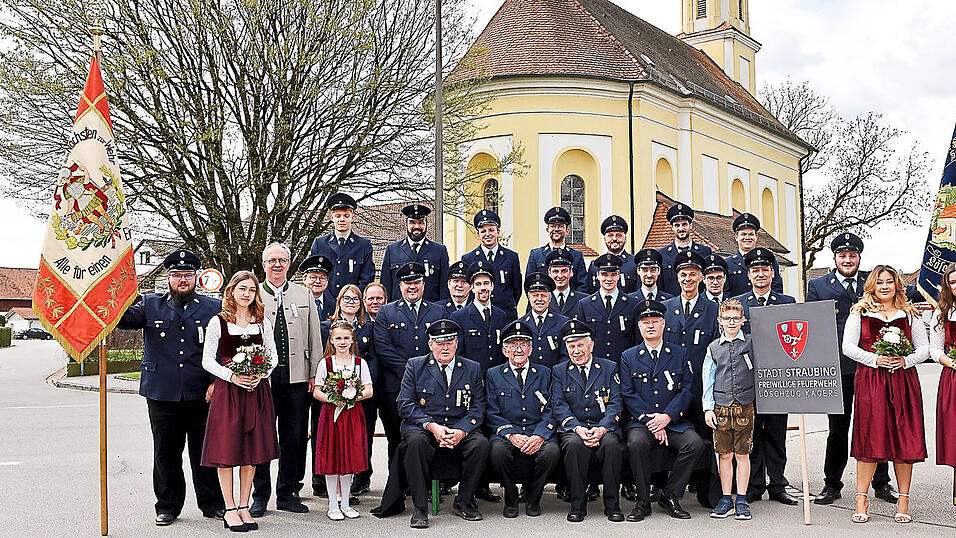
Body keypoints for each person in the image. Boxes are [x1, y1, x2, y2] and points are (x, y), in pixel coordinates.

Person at [117, 249, 225, 526]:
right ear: (169, 278)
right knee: (165, 453)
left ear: (196, 277)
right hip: (161, 392)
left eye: (188, 275)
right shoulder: (149, 304)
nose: (182, 280)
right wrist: (112, 294)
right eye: (177, 275)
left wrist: (216, 382)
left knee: (204, 451)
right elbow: (124, 320)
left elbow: (224, 350)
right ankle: (167, 506)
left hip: (201, 391)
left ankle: (212, 503)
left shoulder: (213, 307)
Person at [372, 319, 490, 528]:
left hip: (458, 427)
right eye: (439, 342)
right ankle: (420, 507)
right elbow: (405, 404)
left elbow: (477, 407)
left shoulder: (472, 368)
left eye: (449, 342)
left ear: (456, 343)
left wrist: (461, 431)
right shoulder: (415, 366)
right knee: (415, 443)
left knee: (480, 445)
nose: (444, 347)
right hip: (424, 427)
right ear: (430, 344)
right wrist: (432, 426)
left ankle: (464, 501)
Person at [807, 233, 897, 505]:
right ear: (834, 258)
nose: (848, 260)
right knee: (838, 428)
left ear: (859, 257)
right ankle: (832, 484)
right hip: (838, 368)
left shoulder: (873, 281)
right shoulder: (819, 285)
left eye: (852, 255)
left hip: (873, 366)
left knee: (877, 424)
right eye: (842, 256)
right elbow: (814, 327)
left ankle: (881, 483)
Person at [843, 265, 928, 524]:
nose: (884, 286)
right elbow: (848, 347)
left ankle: (903, 499)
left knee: (904, 437)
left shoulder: (909, 314)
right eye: (879, 282)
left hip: (903, 380)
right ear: (872, 285)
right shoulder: (860, 313)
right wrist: (875, 359)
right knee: (870, 435)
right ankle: (861, 498)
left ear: (897, 285)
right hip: (871, 380)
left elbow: (924, 349)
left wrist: (906, 361)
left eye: (889, 282)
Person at [200, 270, 279, 532]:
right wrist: (232, 377)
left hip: (256, 393)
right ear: (232, 291)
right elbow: (207, 360)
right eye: (242, 289)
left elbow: (273, 356)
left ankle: (245, 505)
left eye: (252, 290)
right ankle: (230, 507)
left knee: (251, 454)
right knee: (227, 452)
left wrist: (261, 374)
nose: (247, 294)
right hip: (229, 394)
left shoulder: (261, 322)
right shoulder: (218, 322)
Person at [251, 243, 323, 517]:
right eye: (272, 260)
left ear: (289, 264)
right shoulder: (252, 292)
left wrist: (315, 373)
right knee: (262, 437)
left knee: (293, 437)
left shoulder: (303, 294)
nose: (277, 265)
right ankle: (260, 495)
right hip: (263, 380)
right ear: (264, 264)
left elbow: (314, 337)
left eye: (282, 260)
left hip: (297, 377)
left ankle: (288, 492)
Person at [620, 300, 703, 522]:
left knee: (694, 444)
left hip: (673, 420)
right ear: (639, 326)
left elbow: (687, 390)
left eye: (655, 321)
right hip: (642, 422)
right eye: (645, 322)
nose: (650, 326)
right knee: (636, 443)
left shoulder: (679, 353)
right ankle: (643, 501)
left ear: (663, 323)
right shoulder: (628, 356)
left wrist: (667, 417)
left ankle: (671, 495)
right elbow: (628, 393)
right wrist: (651, 421)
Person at [731, 248, 798, 506]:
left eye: (765, 270)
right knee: (752, 434)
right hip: (748, 380)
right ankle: (754, 485)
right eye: (755, 270)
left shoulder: (786, 303)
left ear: (772, 272)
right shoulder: (738, 304)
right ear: (749, 275)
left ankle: (778, 484)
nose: (760, 274)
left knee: (776, 433)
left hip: (778, 380)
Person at [551, 320, 626, 523]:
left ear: (591, 345)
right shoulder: (559, 371)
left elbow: (615, 404)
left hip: (604, 426)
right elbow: (558, 405)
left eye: (580, 345)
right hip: (573, 428)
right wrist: (577, 428)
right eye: (571, 346)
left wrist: (602, 428)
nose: (576, 351)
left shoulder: (609, 368)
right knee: (574, 445)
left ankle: (613, 505)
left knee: (611, 445)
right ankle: (577, 504)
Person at [485, 321, 561, 518]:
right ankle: (510, 498)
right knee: (498, 452)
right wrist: (510, 435)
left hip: (537, 430)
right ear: (504, 349)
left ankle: (533, 497)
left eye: (523, 344)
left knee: (551, 452)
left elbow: (551, 409)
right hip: (508, 433)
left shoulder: (545, 372)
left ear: (531, 348)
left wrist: (540, 435)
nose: (518, 350)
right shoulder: (493, 375)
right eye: (512, 345)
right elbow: (491, 413)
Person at [373, 262, 444, 466]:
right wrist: (412, 371)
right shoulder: (386, 312)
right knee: (396, 438)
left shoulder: (437, 312)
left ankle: (429, 484)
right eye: (407, 282)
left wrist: (424, 373)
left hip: (430, 386)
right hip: (395, 386)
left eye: (416, 282)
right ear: (400, 285)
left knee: (427, 437)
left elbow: (441, 347)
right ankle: (398, 485)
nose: (412, 286)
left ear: (424, 284)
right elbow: (384, 348)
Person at [314, 284, 376, 499]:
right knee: (329, 445)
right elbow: (318, 357)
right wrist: (334, 395)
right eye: (346, 298)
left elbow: (373, 357)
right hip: (330, 401)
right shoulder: (324, 327)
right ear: (339, 301)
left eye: (356, 299)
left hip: (357, 396)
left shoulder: (367, 327)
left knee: (356, 442)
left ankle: (356, 483)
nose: (351, 302)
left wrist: (358, 389)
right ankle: (324, 485)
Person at [702, 299, 755, 520]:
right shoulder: (713, 348)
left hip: (745, 405)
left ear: (743, 320)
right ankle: (726, 498)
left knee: (742, 454)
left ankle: (741, 498)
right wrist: (707, 408)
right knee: (724, 454)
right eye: (727, 318)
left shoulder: (752, 343)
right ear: (720, 320)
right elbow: (708, 379)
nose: (731, 322)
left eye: (735, 318)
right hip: (721, 407)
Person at [662, 250, 720, 435]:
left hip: (700, 388)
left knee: (705, 441)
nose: (688, 279)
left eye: (693, 274)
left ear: (701, 277)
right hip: (672, 390)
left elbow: (717, 353)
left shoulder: (713, 310)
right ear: (677, 277)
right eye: (683, 274)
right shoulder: (666, 308)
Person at [571, 254, 637, 364]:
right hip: (596, 368)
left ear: (619, 275)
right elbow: (581, 340)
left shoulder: (632, 303)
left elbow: (636, 340)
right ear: (597, 275)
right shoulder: (584, 305)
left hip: (624, 366)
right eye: (604, 274)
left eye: (613, 274)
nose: (609, 279)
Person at [380, 204, 450, 303]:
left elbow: (444, 288)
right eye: (412, 222)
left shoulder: (439, 251)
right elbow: (386, 286)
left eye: (421, 222)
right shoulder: (392, 250)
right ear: (406, 224)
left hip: (431, 312)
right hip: (398, 313)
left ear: (426, 224)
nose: (416, 226)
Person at [309, 193, 375, 297]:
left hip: (352, 304)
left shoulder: (363, 245)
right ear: (332, 218)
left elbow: (367, 278)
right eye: (338, 216)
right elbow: (313, 275)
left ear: (352, 217)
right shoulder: (319, 244)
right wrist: (327, 299)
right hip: (324, 301)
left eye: (346, 216)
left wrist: (351, 298)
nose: (342, 219)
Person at [461, 209, 522, 321]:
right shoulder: (468, 259)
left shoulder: (511, 257)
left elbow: (517, 289)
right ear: (478, 234)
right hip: (478, 316)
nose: (487, 234)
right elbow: (469, 289)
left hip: (506, 315)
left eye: (491, 230)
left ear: (498, 232)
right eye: (483, 231)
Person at [450, 261, 509, 372]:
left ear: (492, 286)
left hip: (497, 379)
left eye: (486, 283)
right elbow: (459, 355)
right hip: (472, 378)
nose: (483, 288)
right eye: (478, 284)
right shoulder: (459, 317)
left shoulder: (501, 316)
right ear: (472, 287)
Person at [929, 263, 956, 478]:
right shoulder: (943, 312)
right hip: (953, 378)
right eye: (953, 282)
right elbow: (935, 349)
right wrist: (950, 362)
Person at [526, 206, 589, 292]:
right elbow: (529, 284)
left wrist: (574, 304)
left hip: (571, 304)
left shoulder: (577, 255)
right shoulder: (536, 254)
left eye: (560, 226)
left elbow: (582, 285)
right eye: (553, 226)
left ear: (567, 230)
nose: (556, 229)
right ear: (547, 230)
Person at [658, 203, 713, 297]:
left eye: (684, 224)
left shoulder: (705, 252)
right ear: (672, 228)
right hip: (671, 306)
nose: (681, 228)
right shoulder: (662, 254)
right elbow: (660, 286)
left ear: (690, 226)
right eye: (677, 225)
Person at [723, 213, 783, 297]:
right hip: (738, 308)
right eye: (743, 234)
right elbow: (726, 292)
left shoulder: (770, 259)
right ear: (736, 236)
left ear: (756, 236)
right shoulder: (727, 263)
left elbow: (777, 288)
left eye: (751, 234)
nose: (747, 237)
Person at [518, 272, 569, 368]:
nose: (539, 299)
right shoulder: (521, 324)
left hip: (555, 378)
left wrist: (557, 375)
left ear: (550, 298)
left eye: (543, 295)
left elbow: (565, 355)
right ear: (529, 297)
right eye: (535, 295)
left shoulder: (563, 322)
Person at [587, 215, 638, 294]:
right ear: (605, 239)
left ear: (625, 239)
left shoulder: (634, 263)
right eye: (610, 235)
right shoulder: (594, 265)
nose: (614, 239)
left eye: (618, 235)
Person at [547, 248, 583, 317]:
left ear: (571, 272)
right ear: (549, 273)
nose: (560, 276)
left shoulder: (584, 301)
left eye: (564, 271)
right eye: (555, 271)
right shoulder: (542, 301)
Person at [300, 254, 336, 320]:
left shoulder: (335, 305)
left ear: (327, 281)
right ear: (304, 279)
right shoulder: (296, 302)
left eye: (322, 278)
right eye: (313, 277)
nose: (318, 281)